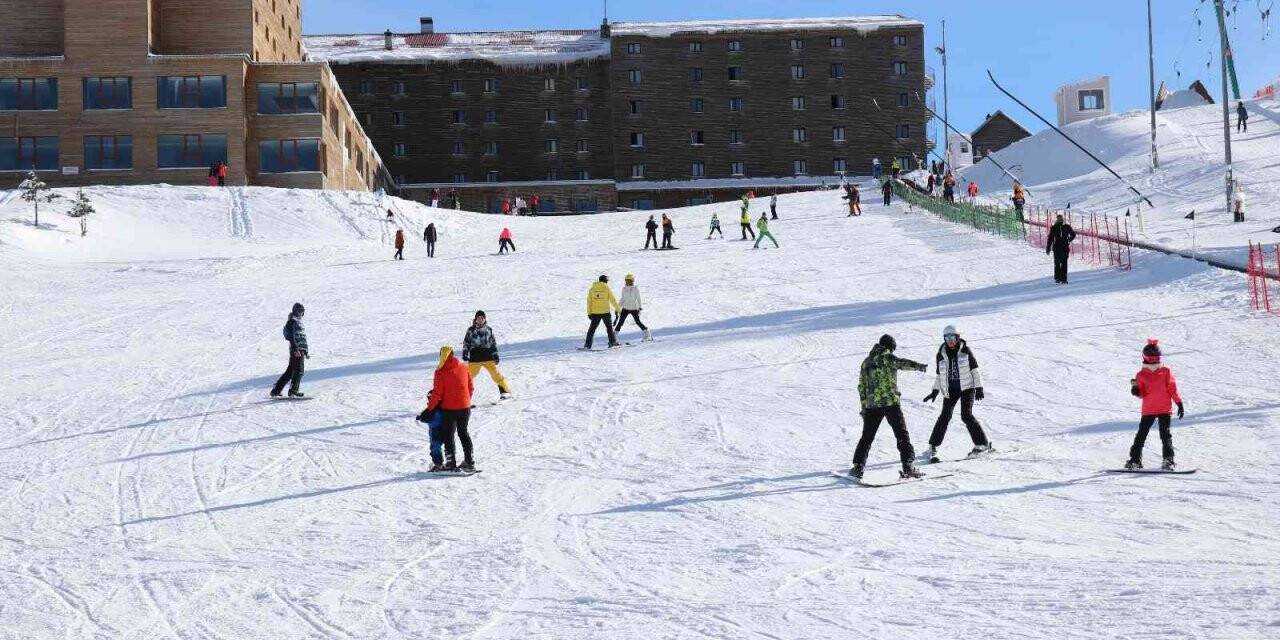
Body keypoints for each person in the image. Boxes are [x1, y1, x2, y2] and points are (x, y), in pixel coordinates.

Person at [848, 335, 929, 480]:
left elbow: (861, 387)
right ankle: (908, 466)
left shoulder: (866, 362)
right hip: (891, 403)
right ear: (890, 347)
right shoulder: (888, 358)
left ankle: (858, 467)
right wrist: (919, 366)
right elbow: (902, 363)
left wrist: (864, 407)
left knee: (866, 437)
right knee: (902, 435)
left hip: (872, 406)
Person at [921, 325, 991, 463]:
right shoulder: (940, 354)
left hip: (967, 387)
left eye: (952, 337)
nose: (950, 340)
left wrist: (979, 387)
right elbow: (939, 375)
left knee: (966, 415)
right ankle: (933, 446)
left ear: (958, 337)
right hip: (950, 389)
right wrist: (935, 390)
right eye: (947, 338)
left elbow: (975, 370)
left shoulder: (965, 351)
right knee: (944, 417)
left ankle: (982, 444)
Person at [1126, 339, 1184, 471]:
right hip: (1149, 410)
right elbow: (1142, 394)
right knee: (1141, 435)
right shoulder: (1140, 375)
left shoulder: (1166, 371)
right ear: (1145, 358)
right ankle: (1135, 461)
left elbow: (1172, 389)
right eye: (1151, 359)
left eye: (1156, 358)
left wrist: (1179, 403)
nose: (1154, 361)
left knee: (1165, 435)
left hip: (1164, 409)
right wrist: (1136, 391)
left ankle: (1168, 461)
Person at [424, 346, 476, 471]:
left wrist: (429, 409)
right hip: (465, 408)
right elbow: (471, 387)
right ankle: (469, 461)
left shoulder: (440, 371)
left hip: (449, 409)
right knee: (463, 433)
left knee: (449, 436)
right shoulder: (463, 367)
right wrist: (465, 400)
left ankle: (450, 463)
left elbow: (437, 393)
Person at [462, 310, 512, 401]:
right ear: (475, 319)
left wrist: (495, 355)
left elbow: (493, 344)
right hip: (475, 358)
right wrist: (465, 353)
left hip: (487, 357)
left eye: (482, 318)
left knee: (495, 374)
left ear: (485, 319)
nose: (480, 320)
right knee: (467, 377)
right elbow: (466, 343)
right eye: (478, 318)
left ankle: (505, 392)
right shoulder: (471, 330)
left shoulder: (489, 330)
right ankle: (464, 398)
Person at [270, 303, 309, 398]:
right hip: (296, 349)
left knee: (290, 371)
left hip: (300, 349)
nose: (301, 313)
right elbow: (291, 336)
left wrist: (306, 350)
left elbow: (302, 338)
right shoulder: (292, 321)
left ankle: (276, 391)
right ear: (295, 311)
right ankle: (293, 391)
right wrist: (296, 348)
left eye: (302, 311)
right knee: (299, 370)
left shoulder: (299, 322)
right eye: (299, 311)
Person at [584, 275, 621, 350]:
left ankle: (587, 345)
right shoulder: (606, 288)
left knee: (592, 329)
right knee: (609, 328)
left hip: (595, 313)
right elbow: (612, 300)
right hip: (605, 312)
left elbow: (589, 302)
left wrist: (589, 313)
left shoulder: (592, 289)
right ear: (605, 281)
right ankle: (612, 342)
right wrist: (619, 310)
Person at [614, 274, 652, 341]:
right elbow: (623, 299)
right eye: (626, 280)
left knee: (637, 322)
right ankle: (614, 337)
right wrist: (617, 307)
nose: (627, 282)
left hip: (634, 308)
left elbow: (638, 298)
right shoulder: (624, 289)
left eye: (629, 280)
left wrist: (640, 307)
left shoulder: (635, 288)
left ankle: (647, 334)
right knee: (620, 322)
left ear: (632, 281)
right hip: (625, 308)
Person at [1045, 213, 1077, 284]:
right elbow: (1073, 234)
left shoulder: (1055, 227)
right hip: (1064, 247)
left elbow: (1050, 239)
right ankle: (1063, 279)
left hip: (1058, 247)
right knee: (1063, 263)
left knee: (1058, 263)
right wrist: (1069, 239)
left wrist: (1048, 248)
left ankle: (1058, 278)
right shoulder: (1065, 227)